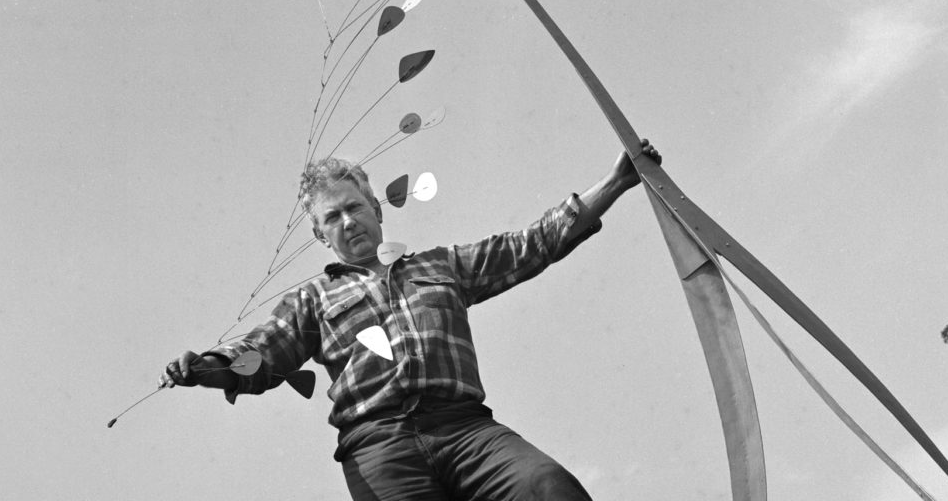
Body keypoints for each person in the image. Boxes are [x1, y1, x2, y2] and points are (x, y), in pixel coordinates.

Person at [162, 140, 661, 500]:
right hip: (378, 445)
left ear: (378, 211)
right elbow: (262, 354)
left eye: (354, 208)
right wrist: (207, 367)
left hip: (463, 428)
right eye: (332, 218)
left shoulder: (441, 267)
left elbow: (529, 246)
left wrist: (616, 181)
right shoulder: (312, 300)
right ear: (320, 236)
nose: (347, 222)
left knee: (548, 487)